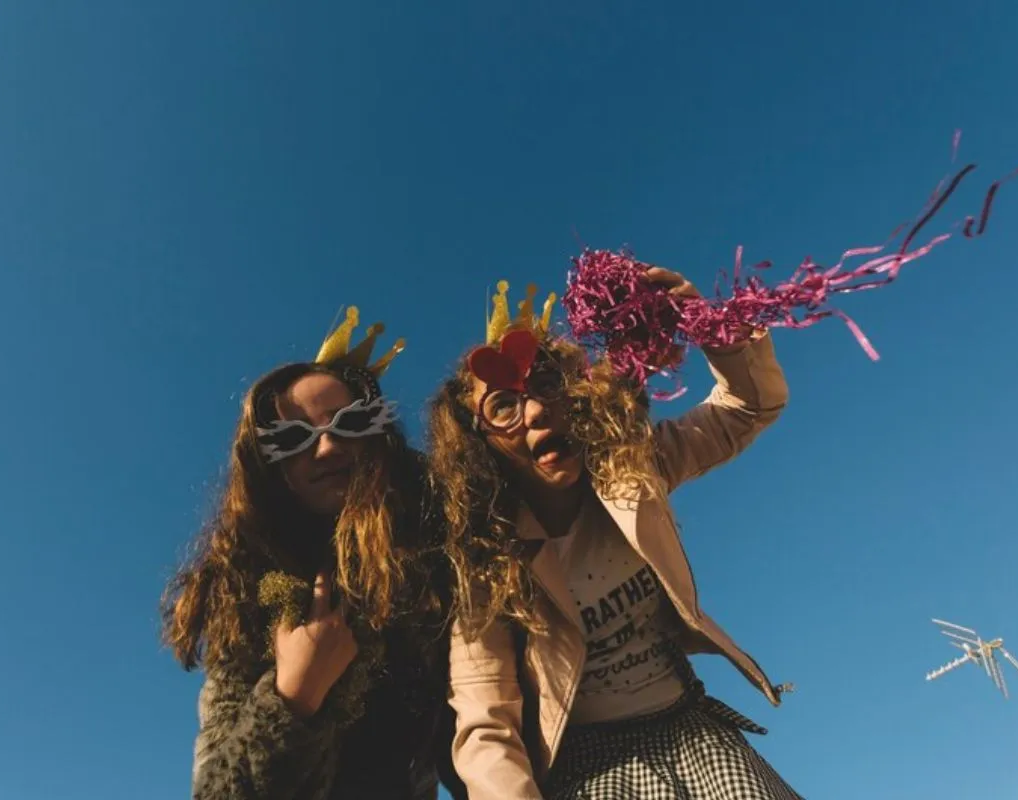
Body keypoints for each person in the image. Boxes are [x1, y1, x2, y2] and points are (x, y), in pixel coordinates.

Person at [426, 273, 803, 799]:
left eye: (547, 387)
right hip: (587, 765)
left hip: (690, 728)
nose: (534, 411)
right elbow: (487, 721)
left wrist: (709, 325)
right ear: (481, 444)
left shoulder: (632, 471)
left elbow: (749, 406)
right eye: (504, 407)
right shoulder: (485, 561)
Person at [162, 308, 464, 800]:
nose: (327, 449)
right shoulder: (247, 597)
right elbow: (217, 791)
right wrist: (293, 697)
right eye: (293, 438)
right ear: (268, 467)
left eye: (350, 423)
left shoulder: (437, 556)